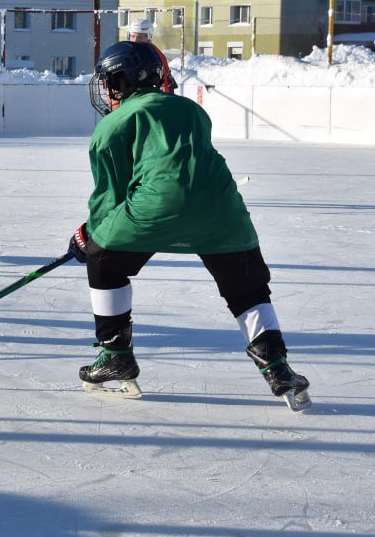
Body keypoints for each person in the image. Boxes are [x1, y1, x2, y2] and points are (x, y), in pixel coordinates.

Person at [67, 40, 311, 409]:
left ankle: (116, 356)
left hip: (153, 209)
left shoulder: (112, 126)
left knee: (105, 261)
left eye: (109, 82)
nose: (106, 91)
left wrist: (89, 237)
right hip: (223, 211)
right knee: (247, 289)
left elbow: (110, 196)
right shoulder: (191, 110)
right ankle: (277, 367)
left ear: (122, 81)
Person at [126, 18, 176, 93]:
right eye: (133, 36)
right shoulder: (125, 51)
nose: (135, 40)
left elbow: (165, 81)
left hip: (149, 94)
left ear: (148, 38)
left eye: (140, 37)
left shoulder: (156, 54)